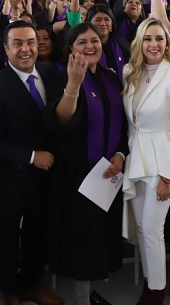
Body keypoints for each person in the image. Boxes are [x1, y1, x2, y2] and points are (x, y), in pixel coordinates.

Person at [0, 21, 63, 305]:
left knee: (37, 233)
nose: (25, 49)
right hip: (9, 177)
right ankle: (11, 290)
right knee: (7, 236)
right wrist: (30, 157)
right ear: (6, 49)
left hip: (46, 176)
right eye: (18, 43)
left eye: (30, 42)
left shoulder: (52, 74)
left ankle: (31, 284)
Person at [50, 23, 128, 305]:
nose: (90, 46)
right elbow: (63, 121)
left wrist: (121, 154)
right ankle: (82, 299)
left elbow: (124, 122)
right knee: (82, 239)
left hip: (109, 172)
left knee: (99, 238)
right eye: (81, 42)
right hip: (78, 173)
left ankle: (90, 291)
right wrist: (73, 84)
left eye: (94, 40)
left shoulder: (111, 77)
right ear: (71, 48)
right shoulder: (62, 75)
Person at [122, 18, 170, 305]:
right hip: (136, 159)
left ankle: (155, 292)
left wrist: (168, 176)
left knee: (152, 229)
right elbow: (131, 124)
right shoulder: (130, 71)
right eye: (148, 38)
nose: (154, 44)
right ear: (139, 42)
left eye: (160, 39)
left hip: (163, 161)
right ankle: (151, 284)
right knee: (142, 228)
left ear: (167, 43)